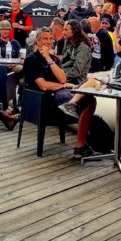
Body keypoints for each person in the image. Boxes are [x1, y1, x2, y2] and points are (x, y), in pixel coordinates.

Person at [24, 28, 97, 160]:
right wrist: (62, 85)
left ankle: (72, 105)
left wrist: (49, 59)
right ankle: (80, 146)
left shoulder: (54, 60)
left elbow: (62, 78)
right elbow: (44, 86)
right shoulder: (32, 60)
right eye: (44, 39)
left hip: (60, 93)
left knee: (92, 82)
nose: (48, 42)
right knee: (89, 100)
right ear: (38, 41)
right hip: (45, 101)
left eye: (50, 39)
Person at [61, 19, 92, 86]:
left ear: (74, 31)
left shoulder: (83, 48)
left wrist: (60, 77)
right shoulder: (69, 45)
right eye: (63, 29)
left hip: (75, 82)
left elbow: (77, 71)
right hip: (65, 77)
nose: (63, 32)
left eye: (66, 30)